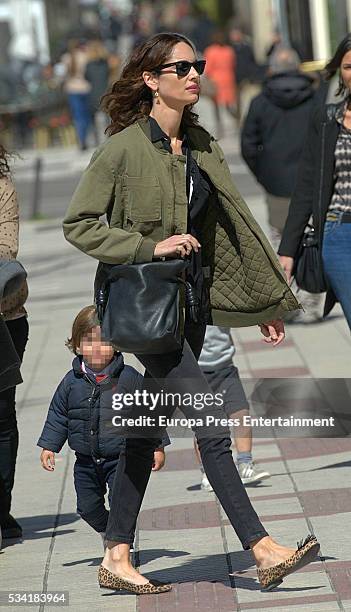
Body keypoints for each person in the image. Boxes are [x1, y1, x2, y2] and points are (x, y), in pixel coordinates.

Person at [63, 32, 320, 594]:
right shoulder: (123, 149)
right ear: (150, 80)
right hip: (147, 311)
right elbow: (79, 223)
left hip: (192, 308)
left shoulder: (200, 144)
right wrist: (147, 247)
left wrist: (258, 306)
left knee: (140, 434)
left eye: (196, 64)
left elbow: (228, 231)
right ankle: (263, 548)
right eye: (180, 67)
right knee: (211, 424)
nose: (193, 74)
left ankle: (117, 555)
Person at [37, 306, 169, 549]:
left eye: (105, 341)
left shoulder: (129, 378)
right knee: (86, 507)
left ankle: (119, 546)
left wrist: (158, 446)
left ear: (117, 343)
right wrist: (49, 446)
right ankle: (110, 531)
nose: (97, 348)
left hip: (121, 457)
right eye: (89, 341)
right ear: (77, 345)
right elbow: (58, 415)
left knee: (121, 502)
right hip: (86, 460)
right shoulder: (70, 382)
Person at [241, 46, 322, 322]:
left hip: (276, 183)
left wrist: (264, 174)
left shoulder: (260, 102)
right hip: (311, 182)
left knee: (281, 241)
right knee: (310, 240)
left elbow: (248, 146)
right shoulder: (315, 100)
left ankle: (290, 301)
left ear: (272, 69)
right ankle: (312, 301)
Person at [278, 34, 351, 329]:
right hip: (339, 233)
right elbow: (307, 185)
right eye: (348, 66)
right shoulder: (326, 118)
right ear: (340, 73)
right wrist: (287, 251)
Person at [195, 325, 270, 491]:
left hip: (226, 369)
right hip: (196, 372)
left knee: (241, 414)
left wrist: (265, 319)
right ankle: (208, 473)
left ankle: (245, 464)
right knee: (203, 424)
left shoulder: (220, 300)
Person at [0, 144, 29, 541]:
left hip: (5, 316)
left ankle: (1, 507)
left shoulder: (1, 187)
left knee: (2, 415)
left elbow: (6, 249)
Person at [203, 30, 237, 133]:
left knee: (216, 105)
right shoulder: (229, 51)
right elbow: (233, 64)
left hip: (215, 80)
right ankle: (237, 120)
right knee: (229, 104)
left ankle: (220, 126)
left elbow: (208, 68)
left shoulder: (210, 51)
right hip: (228, 79)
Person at [62, 40, 92, 151]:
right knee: (86, 116)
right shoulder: (85, 56)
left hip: (72, 88)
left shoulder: (66, 58)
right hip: (85, 87)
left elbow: (63, 75)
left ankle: (81, 140)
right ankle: (87, 138)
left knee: (78, 116)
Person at [85, 40, 110, 146]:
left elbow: (86, 77)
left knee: (98, 121)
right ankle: (108, 141)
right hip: (105, 92)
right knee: (107, 120)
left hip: (94, 94)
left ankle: (101, 142)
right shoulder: (105, 64)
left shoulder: (89, 65)